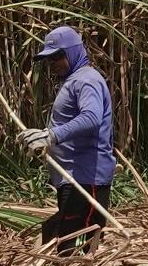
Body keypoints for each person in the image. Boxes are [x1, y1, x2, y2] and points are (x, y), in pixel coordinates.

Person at [19, 26, 114, 253]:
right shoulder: (73, 80)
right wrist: (42, 137)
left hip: (86, 179)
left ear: (73, 52)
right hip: (71, 178)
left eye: (58, 57)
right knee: (58, 236)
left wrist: (51, 136)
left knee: (74, 247)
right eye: (49, 59)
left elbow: (91, 118)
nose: (53, 64)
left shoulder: (87, 80)